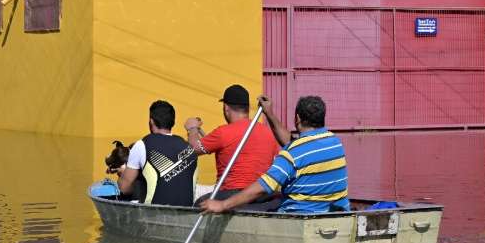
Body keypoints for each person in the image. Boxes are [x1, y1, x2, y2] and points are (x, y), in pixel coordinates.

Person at [199, 95, 350, 215]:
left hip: (301, 214)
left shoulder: (292, 153)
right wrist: (269, 114)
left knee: (236, 209)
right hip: (336, 212)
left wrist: (222, 205)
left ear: (297, 118)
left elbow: (262, 187)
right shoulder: (335, 142)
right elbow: (293, 144)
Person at [183, 84, 278, 205]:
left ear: (226, 108)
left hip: (231, 193)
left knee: (200, 203)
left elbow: (192, 150)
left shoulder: (223, 132)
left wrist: (192, 129)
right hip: (261, 194)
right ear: (247, 109)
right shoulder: (268, 133)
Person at [117, 100, 198, 206]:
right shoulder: (188, 147)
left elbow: (124, 188)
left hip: (153, 213)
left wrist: (122, 174)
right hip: (186, 211)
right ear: (172, 122)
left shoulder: (142, 145)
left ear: (151, 121)